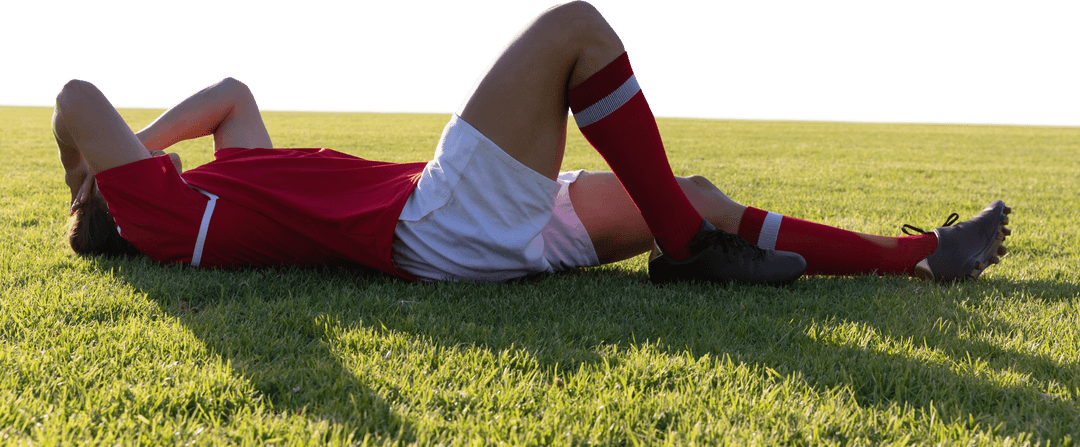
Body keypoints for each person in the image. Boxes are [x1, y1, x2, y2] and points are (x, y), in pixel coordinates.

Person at [56, 2, 1009, 286]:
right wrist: (89, 182)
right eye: (131, 170)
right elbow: (73, 98)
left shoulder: (222, 187)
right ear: (123, 200)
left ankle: (920, 256)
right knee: (574, 28)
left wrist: (136, 148)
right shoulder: (170, 217)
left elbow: (232, 94)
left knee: (704, 192)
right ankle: (686, 250)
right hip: (437, 222)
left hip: (491, 234)